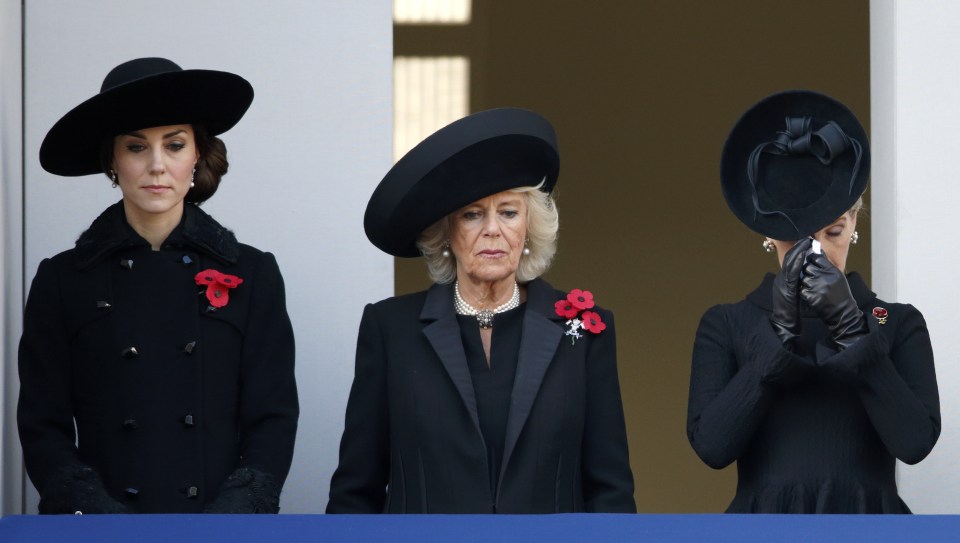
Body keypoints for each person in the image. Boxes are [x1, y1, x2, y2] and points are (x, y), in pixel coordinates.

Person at [19, 57, 299, 514]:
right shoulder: (62, 280)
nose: (156, 166)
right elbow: (41, 423)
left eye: (174, 145)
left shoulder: (254, 274)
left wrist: (234, 515)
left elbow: (273, 416)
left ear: (197, 154)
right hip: (100, 530)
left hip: (221, 531)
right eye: (135, 147)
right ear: (112, 159)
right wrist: (95, 513)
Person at [327, 108, 635, 513]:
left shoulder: (583, 330)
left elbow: (610, 490)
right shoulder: (390, 329)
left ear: (528, 227)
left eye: (508, 212)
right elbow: (356, 490)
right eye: (473, 214)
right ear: (446, 234)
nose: (493, 229)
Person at [687, 90, 940, 513]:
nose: (816, 253)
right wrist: (777, 338)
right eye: (796, 237)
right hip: (765, 526)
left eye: (833, 233)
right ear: (766, 234)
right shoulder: (728, 322)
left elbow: (915, 443)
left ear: (855, 222)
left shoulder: (897, 322)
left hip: (868, 525)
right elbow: (712, 447)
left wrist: (855, 332)